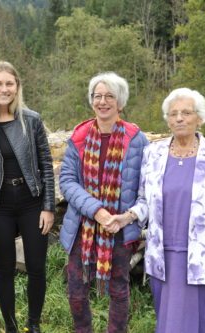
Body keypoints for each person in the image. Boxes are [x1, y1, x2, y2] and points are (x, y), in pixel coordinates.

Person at [129, 88, 205, 333]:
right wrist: (128, 216)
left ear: (200, 118)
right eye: (173, 113)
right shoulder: (152, 154)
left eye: (186, 112)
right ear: (167, 119)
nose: (179, 118)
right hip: (166, 257)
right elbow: (144, 200)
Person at [0, 61, 55, 333]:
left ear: (17, 86)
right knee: (4, 269)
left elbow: (46, 165)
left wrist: (49, 207)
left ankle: (34, 324)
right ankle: (11, 327)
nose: (3, 89)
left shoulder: (32, 120)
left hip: (32, 203)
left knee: (36, 267)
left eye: (9, 83)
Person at [59, 72, 149, 333]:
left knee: (119, 289)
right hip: (82, 227)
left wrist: (125, 217)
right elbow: (67, 180)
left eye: (109, 96)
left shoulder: (137, 140)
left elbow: (146, 187)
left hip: (119, 228)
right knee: (76, 290)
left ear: (120, 102)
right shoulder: (79, 136)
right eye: (97, 96)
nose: (103, 101)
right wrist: (97, 211)